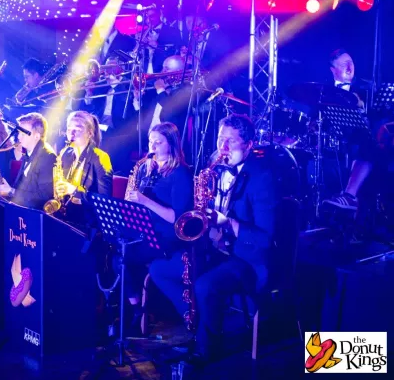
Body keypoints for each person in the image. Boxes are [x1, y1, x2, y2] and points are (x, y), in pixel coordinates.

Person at [152, 114, 278, 363]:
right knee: (160, 269)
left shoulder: (262, 178)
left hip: (247, 258)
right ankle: (195, 325)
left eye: (231, 141)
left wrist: (227, 222)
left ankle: (207, 349)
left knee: (205, 284)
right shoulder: (216, 166)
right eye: (221, 139)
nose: (223, 147)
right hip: (216, 249)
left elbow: (265, 240)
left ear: (249, 144)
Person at [123, 122, 194, 335]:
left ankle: (139, 313)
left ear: (171, 144)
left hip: (167, 236)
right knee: (114, 250)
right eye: (150, 141)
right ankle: (136, 308)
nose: (152, 146)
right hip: (146, 230)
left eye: (158, 142)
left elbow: (178, 219)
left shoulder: (180, 174)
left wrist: (145, 202)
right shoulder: (147, 168)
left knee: (124, 257)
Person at [323, 49, 375, 211]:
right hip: (329, 139)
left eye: (351, 62)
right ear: (333, 70)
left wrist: (361, 106)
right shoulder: (322, 89)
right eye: (344, 64)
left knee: (367, 144)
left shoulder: (366, 89)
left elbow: (375, 117)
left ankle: (350, 196)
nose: (349, 67)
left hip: (357, 139)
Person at [52, 111, 113, 226]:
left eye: (78, 129)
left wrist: (74, 191)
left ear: (90, 133)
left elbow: (105, 200)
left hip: (88, 220)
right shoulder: (66, 153)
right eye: (69, 129)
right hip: (68, 214)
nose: (72, 133)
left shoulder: (101, 158)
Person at [0, 112, 56, 210]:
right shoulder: (28, 152)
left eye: (23, 133)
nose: (18, 137)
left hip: (36, 217)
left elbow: (44, 197)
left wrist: (11, 192)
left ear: (36, 136)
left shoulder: (48, 157)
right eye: (19, 132)